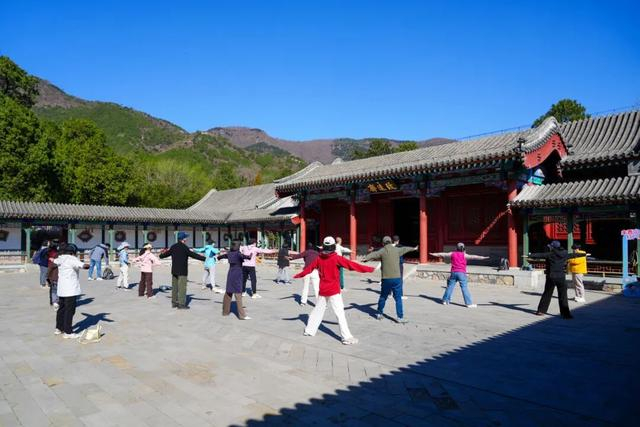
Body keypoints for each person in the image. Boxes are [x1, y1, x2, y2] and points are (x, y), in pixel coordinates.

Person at [294, 236, 375, 345]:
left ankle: (309, 330)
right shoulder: (336, 258)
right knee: (340, 313)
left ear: (324, 246)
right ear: (333, 247)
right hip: (333, 291)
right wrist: (370, 269)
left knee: (317, 311)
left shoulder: (318, 258)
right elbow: (352, 265)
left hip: (323, 290)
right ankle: (346, 337)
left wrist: (298, 275)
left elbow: (308, 269)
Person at [365, 236, 418, 323]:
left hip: (386, 279)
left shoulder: (382, 251)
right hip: (397, 278)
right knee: (398, 298)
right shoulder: (397, 250)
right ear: (390, 242)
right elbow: (406, 249)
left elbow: (373, 254)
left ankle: (379, 314)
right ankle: (400, 317)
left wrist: (365, 258)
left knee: (383, 297)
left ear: (383, 243)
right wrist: (414, 248)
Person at [530, 241, 587, 319]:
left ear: (553, 247)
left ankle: (541, 311)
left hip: (551, 277)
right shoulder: (564, 253)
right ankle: (565, 314)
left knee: (547, 294)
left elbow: (540, 255)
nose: (549, 247)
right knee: (563, 295)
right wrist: (584, 254)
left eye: (550, 246)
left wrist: (530, 255)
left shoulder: (550, 254)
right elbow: (573, 255)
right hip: (561, 277)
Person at [431, 243, 489, 308]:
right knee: (464, 288)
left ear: (456, 248)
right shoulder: (464, 255)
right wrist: (483, 258)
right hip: (461, 273)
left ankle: (445, 301)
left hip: (453, 273)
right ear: (463, 248)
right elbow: (474, 257)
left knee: (450, 287)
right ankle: (469, 303)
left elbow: (442, 254)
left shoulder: (452, 254)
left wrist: (434, 254)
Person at [159, 232, 206, 309]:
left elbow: (164, 255)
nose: (186, 239)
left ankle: (174, 303)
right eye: (186, 237)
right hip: (182, 271)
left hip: (174, 270)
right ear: (183, 239)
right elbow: (193, 255)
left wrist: (161, 255)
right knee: (182, 287)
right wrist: (205, 259)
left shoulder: (173, 246)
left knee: (175, 287)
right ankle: (181, 304)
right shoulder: (184, 247)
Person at [54, 244, 89, 338]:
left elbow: (54, 261)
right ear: (73, 252)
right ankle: (68, 332)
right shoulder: (72, 259)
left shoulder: (60, 258)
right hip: (70, 289)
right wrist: (89, 265)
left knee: (61, 309)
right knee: (69, 311)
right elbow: (83, 266)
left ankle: (59, 328)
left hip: (62, 289)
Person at [217, 240, 252, 319]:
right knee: (238, 293)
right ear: (238, 246)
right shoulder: (238, 254)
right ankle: (242, 315)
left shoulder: (230, 253)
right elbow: (245, 257)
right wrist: (250, 256)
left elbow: (222, 256)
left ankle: (225, 312)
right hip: (237, 273)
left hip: (230, 273)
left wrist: (218, 257)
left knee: (228, 293)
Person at [289, 241, 320, 305]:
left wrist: (291, 258)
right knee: (317, 288)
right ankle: (320, 303)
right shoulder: (317, 253)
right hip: (315, 271)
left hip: (307, 271)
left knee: (305, 287)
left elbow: (299, 256)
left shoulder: (306, 252)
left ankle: (303, 302)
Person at [47, 242, 59, 310]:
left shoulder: (48, 252)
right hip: (54, 272)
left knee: (52, 288)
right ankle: (56, 301)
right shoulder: (56, 254)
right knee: (56, 289)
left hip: (50, 270)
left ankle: (52, 301)